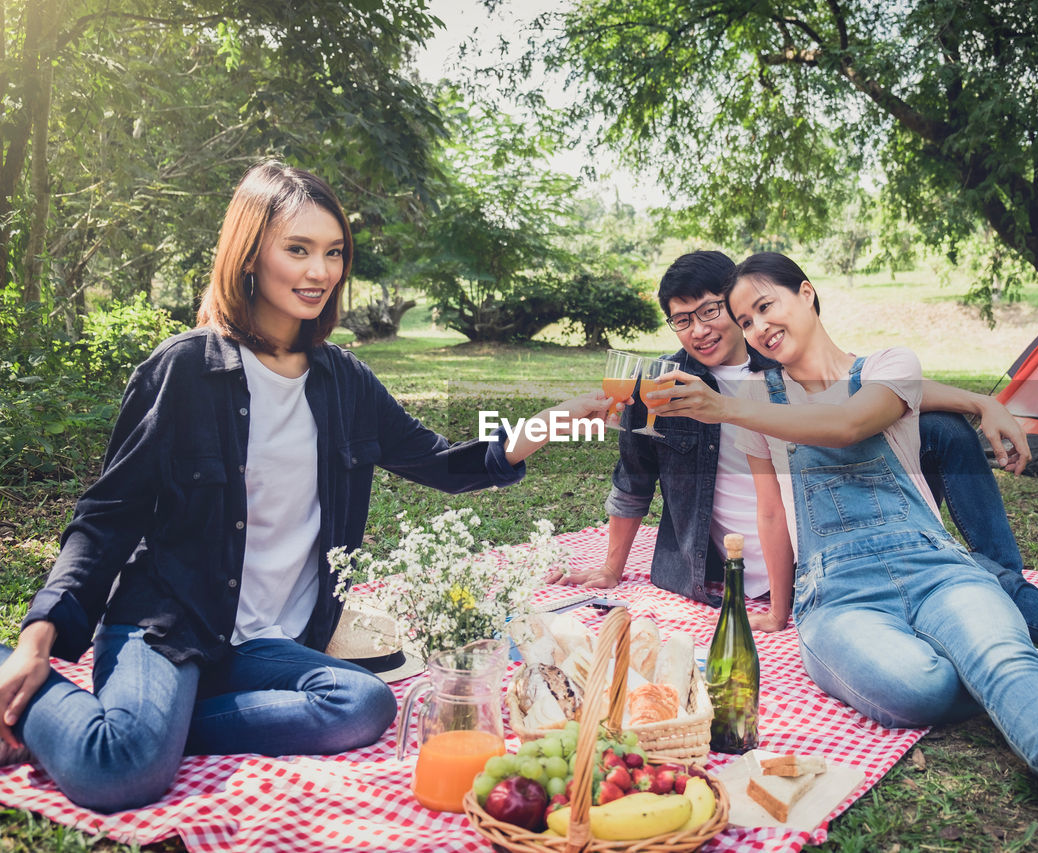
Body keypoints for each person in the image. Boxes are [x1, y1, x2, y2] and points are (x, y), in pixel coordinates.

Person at [0, 161, 614, 813]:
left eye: (333, 252)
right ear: (250, 256)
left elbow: (440, 459)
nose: (320, 271)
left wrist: (549, 423)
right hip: (170, 625)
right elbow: (106, 518)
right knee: (120, 772)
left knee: (362, 703)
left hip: (265, 650)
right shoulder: (183, 369)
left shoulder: (344, 382)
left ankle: (158, 728)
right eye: (298, 250)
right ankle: (70, 706)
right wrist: (37, 642)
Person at [559, 250, 1038, 690]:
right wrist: (610, 565)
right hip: (801, 567)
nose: (706, 330)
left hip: (866, 541)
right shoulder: (668, 387)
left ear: (766, 304)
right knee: (997, 606)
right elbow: (635, 475)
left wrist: (980, 401)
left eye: (721, 311)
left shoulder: (784, 362)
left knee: (938, 427)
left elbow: (880, 399)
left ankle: (1003, 577)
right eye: (685, 320)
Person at [698, 251, 1038, 851]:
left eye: (764, 306)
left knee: (995, 649)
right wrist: (777, 613)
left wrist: (724, 407)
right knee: (916, 687)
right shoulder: (755, 401)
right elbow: (772, 511)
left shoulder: (889, 367)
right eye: (744, 322)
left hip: (931, 564)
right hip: (835, 593)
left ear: (806, 293)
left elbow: (852, 422)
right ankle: (1034, 669)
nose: (757, 329)